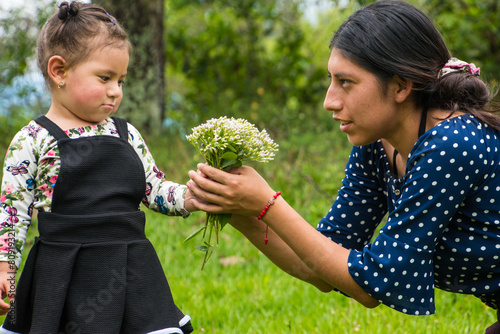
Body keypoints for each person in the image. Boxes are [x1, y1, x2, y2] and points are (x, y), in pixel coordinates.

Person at [186, 0, 500, 332]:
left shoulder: (452, 144)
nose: (329, 100)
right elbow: (325, 266)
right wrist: (237, 209)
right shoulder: (377, 145)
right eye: (330, 80)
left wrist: (268, 204)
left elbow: (372, 286)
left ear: (400, 86)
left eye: (346, 82)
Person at [0, 2, 195, 333]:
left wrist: (192, 196)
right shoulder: (32, 140)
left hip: (129, 270)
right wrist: (5, 268)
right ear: (59, 71)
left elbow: (154, 188)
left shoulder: (125, 133)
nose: (116, 91)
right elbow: (12, 214)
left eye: (121, 80)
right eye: (105, 78)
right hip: (62, 272)